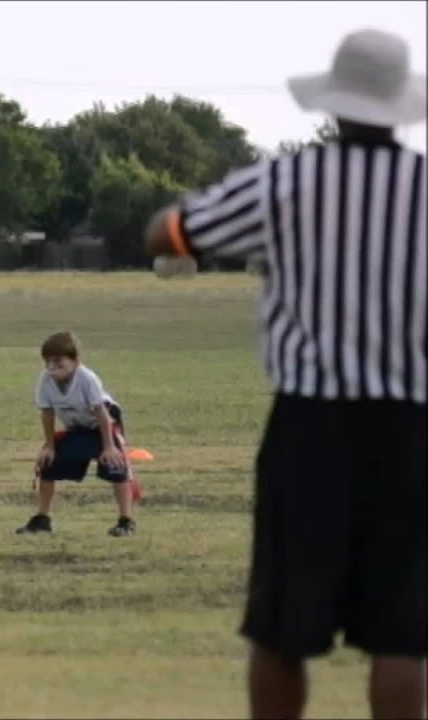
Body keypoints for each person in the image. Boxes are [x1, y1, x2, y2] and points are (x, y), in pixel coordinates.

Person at [142, 28, 426, 720]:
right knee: (403, 636)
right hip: (412, 428)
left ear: (334, 103)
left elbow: (173, 237)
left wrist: (170, 210)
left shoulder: (288, 181)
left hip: (311, 425)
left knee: (281, 628)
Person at [15, 331, 135, 537]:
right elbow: (47, 414)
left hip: (104, 425)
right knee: (47, 463)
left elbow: (101, 413)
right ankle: (43, 519)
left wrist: (109, 447)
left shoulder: (87, 379)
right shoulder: (45, 380)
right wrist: (49, 446)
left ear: (75, 361)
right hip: (77, 428)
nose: (52, 368)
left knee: (116, 465)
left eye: (58, 362)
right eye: (48, 362)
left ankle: (126, 521)